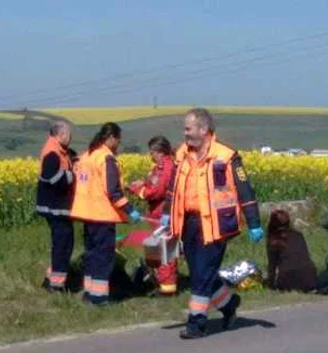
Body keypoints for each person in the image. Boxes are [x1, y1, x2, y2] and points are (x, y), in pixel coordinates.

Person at [161, 108, 264, 339]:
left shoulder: (227, 156)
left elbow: (244, 189)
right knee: (201, 272)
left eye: (188, 128)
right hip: (188, 223)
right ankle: (229, 304)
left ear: (203, 129)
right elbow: (172, 189)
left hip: (216, 226)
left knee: (201, 275)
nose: (185, 133)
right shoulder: (181, 154)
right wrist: (167, 214)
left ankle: (196, 324)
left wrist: (254, 222)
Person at [70, 122, 142, 306]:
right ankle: (100, 298)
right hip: (102, 214)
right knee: (104, 257)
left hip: (87, 213)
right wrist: (129, 210)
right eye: (118, 140)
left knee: (92, 254)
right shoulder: (106, 158)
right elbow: (112, 191)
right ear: (111, 138)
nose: (118, 144)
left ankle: (89, 292)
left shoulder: (88, 155)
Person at [128, 135, 178, 297]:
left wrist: (138, 190)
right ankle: (162, 281)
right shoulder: (159, 167)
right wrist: (141, 184)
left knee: (165, 250)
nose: (150, 155)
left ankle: (168, 288)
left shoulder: (166, 168)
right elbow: (151, 183)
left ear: (160, 152)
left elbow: (156, 191)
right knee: (158, 249)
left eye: (152, 151)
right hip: (157, 215)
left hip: (163, 214)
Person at [36, 120, 76, 293]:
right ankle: (57, 285)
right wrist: (73, 176)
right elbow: (52, 178)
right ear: (61, 135)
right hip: (55, 207)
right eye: (69, 134)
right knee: (63, 245)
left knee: (63, 243)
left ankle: (50, 278)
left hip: (57, 207)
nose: (71, 138)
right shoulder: (52, 153)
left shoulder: (60, 150)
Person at [266, 209, 318, 292]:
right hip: (310, 277)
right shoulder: (298, 235)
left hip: (290, 279)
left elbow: (272, 265)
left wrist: (270, 285)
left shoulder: (274, 240)